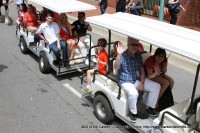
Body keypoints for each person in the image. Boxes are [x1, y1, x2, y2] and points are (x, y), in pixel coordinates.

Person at [114, 39, 160, 122]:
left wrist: (142, 83)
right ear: (128, 45)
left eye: (137, 45)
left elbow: (142, 71)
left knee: (156, 86)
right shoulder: (122, 55)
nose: (135, 47)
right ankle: (133, 113)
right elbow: (116, 67)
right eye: (133, 45)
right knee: (133, 93)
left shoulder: (138, 55)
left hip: (136, 80)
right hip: (126, 81)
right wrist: (119, 55)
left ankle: (148, 108)